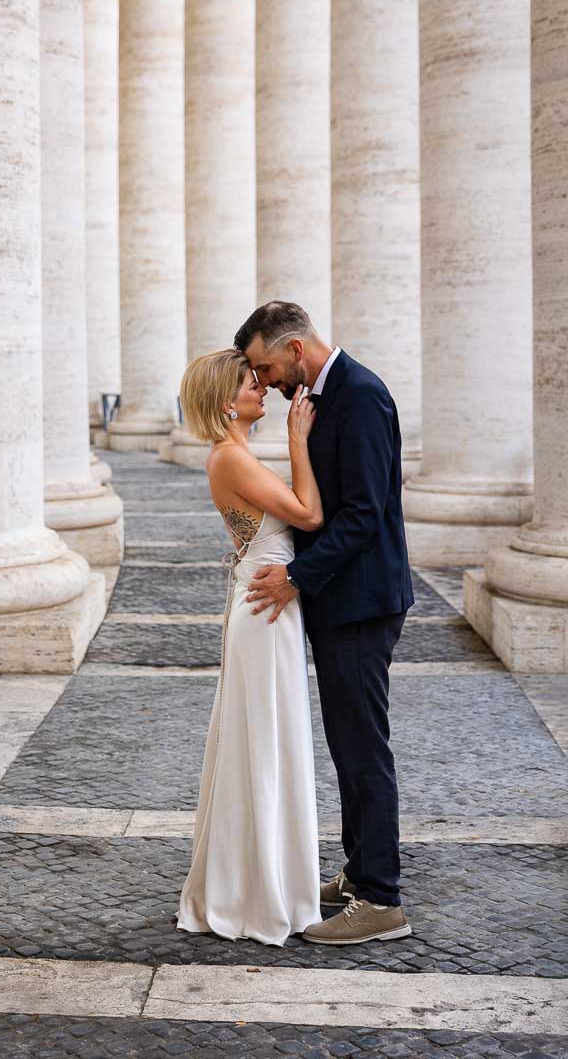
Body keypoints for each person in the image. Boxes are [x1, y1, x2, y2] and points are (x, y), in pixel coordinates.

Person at [235, 301, 414, 945]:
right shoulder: (321, 398)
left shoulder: (361, 397)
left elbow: (365, 513)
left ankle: (382, 899)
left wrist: (295, 578)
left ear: (296, 349)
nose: (266, 381)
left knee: (363, 745)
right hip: (343, 601)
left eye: (266, 366)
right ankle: (360, 870)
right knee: (347, 742)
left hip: (363, 602)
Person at [175, 348, 324, 945]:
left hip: (268, 606)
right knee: (264, 742)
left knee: (269, 740)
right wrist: (298, 439)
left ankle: (268, 882)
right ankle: (259, 892)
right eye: (249, 383)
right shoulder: (230, 458)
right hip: (265, 613)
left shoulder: (235, 455)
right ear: (223, 400)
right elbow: (309, 515)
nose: (261, 388)